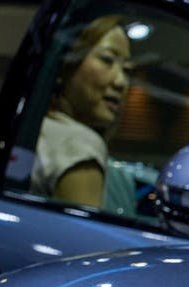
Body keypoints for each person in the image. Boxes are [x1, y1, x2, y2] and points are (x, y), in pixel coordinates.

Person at [31, 15, 133, 213]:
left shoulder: (35, 128)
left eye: (127, 70)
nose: (120, 82)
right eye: (107, 60)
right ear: (65, 63)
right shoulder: (79, 145)